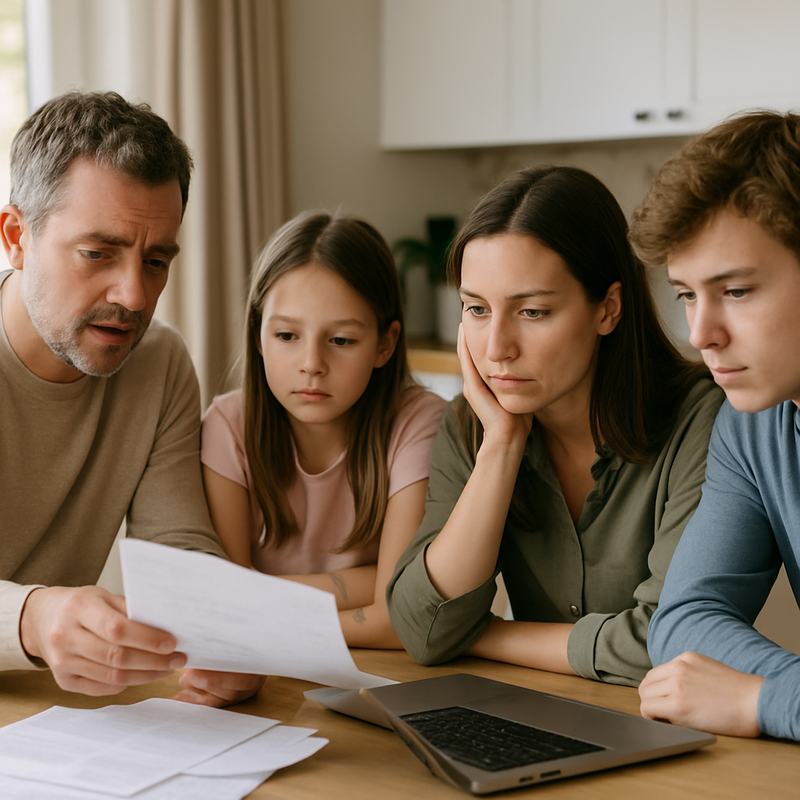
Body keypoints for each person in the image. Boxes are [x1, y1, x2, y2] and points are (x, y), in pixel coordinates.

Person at [386, 165, 724, 686]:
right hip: (535, 717)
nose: (497, 348)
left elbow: (669, 642)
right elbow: (422, 632)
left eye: (533, 312)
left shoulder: (701, 420)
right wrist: (500, 446)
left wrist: (484, 635)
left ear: (608, 308)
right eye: (476, 309)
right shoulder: (472, 426)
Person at [0, 90, 262, 707]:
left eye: (156, 260)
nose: (136, 296)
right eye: (98, 253)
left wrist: (226, 637)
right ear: (16, 236)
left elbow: (178, 547)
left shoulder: (158, 363)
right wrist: (34, 618)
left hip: (46, 718)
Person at [200, 210, 445, 648]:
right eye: (287, 336)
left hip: (383, 675)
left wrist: (259, 599)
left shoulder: (419, 424)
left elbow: (399, 617)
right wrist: (367, 585)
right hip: (264, 671)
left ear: (385, 344)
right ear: (258, 335)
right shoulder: (226, 427)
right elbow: (225, 605)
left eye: (341, 340)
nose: (312, 363)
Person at [631, 110, 800, 740]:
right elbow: (683, 619)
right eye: (685, 295)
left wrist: (763, 700)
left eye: (735, 291)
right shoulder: (752, 426)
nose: (700, 334)